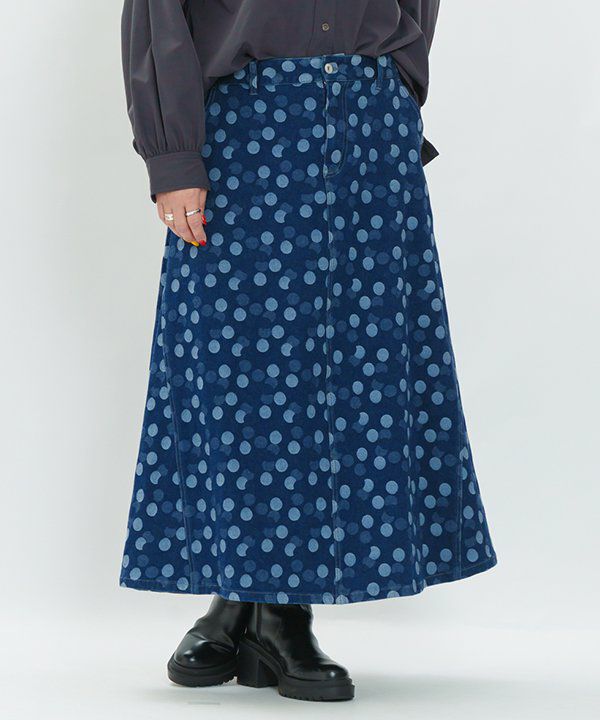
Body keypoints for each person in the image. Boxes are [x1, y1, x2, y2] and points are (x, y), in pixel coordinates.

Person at [119, 0, 497, 702]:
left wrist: (397, 86)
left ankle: (255, 610)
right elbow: (158, 16)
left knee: (362, 369)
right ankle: (264, 609)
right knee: (238, 371)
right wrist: (173, 155)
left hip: (370, 127)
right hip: (247, 128)